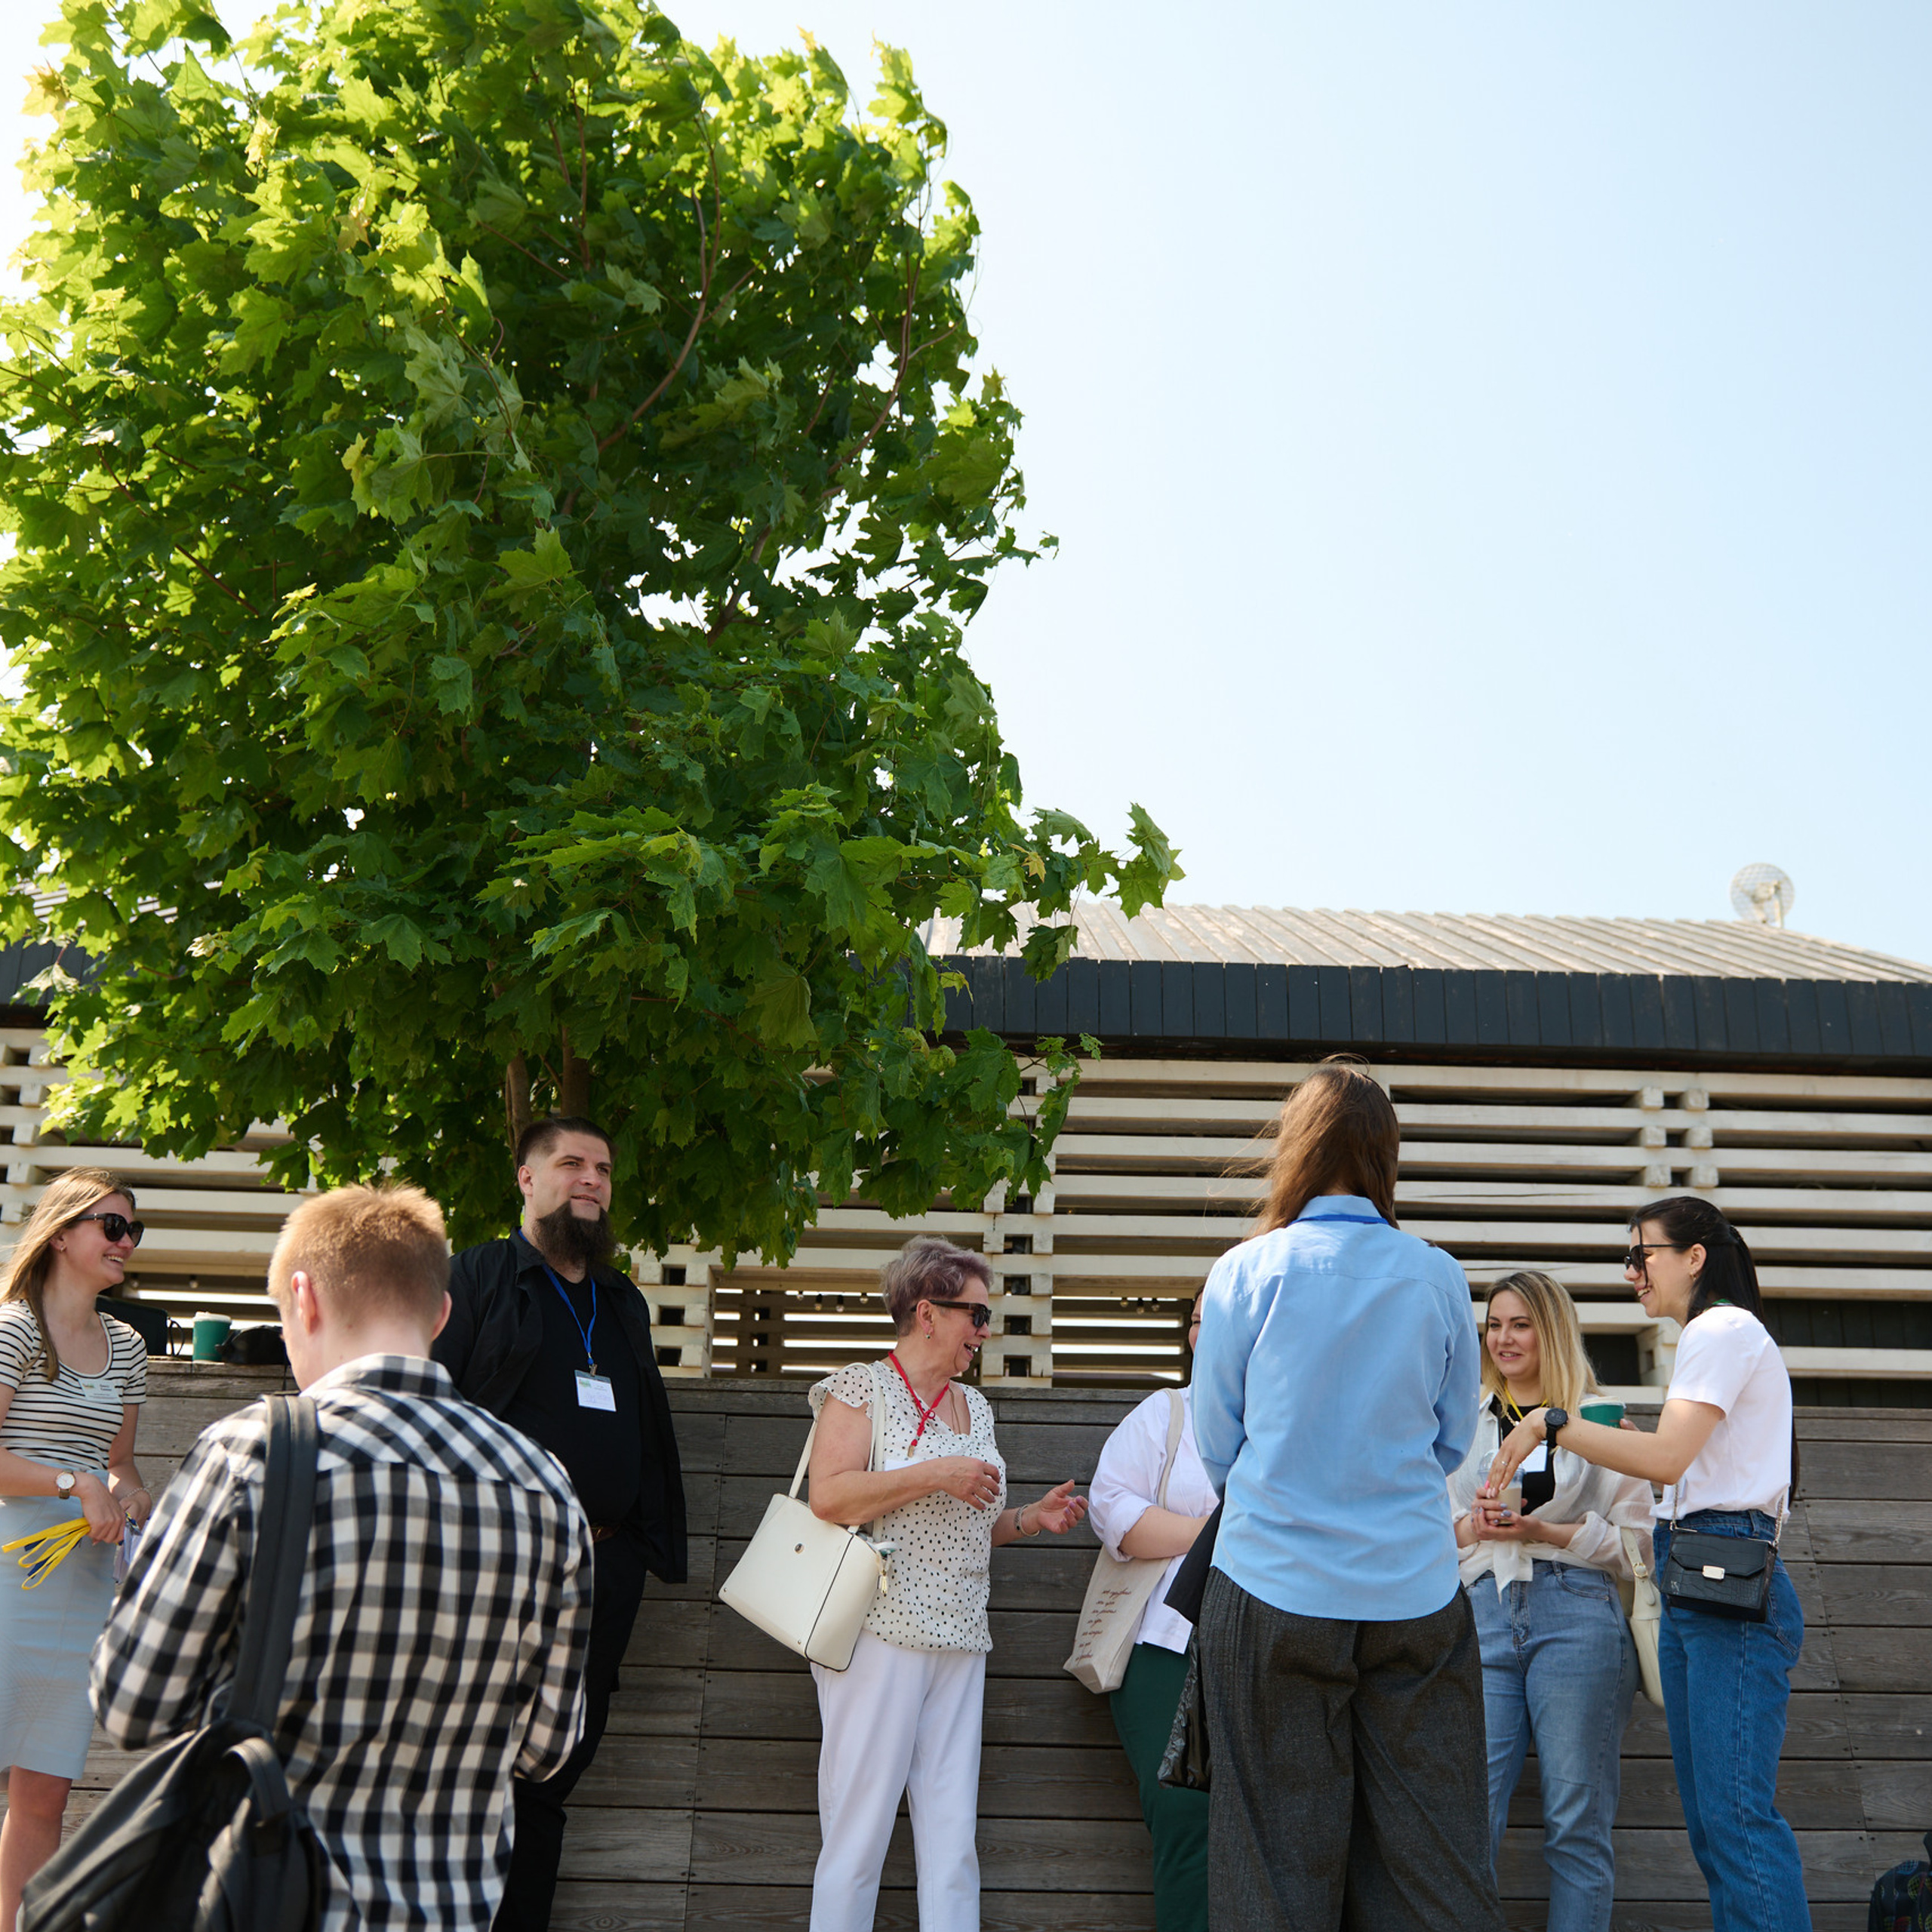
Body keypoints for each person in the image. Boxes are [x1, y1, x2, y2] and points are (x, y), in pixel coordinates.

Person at [94, 1183, 592, 1932]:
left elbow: (133, 1704)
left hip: (260, 1903)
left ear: (303, 1297)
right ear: (443, 1312)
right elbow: (549, 1750)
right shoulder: (546, 1485)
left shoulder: (250, 1451)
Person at [1190, 1057, 1499, 1932]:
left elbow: (1218, 1441)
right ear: (1384, 1153)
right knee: (1430, 1858)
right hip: (1413, 1588)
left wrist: (1282, 1493)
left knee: (1272, 1862)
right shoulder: (1435, 1273)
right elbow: (1450, 1437)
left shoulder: (1246, 1270)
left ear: (1294, 1148)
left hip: (1272, 1582)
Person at [1487, 1197, 1809, 1932]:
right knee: (1717, 1830)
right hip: (1699, 1575)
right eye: (1627, 1257)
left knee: (1735, 1826)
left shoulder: (1719, 1328)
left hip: (1722, 1578)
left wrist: (1554, 1421)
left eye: (1643, 1254)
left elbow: (1667, 1456)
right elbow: (1679, 1467)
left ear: (1694, 1257)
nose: (1631, 1270)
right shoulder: (1714, 1337)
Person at [433, 1115, 689, 1932]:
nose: (591, 1180)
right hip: (494, 1568)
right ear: (525, 1178)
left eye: (604, 1168)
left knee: (551, 1779)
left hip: (602, 1573)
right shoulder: (472, 1277)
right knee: (468, 1767)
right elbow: (432, 1410)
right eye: (571, 1163)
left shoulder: (622, 1301)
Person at [804, 1234, 1088, 1932]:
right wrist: (936, 1473)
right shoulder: (860, 1387)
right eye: (976, 1315)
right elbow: (829, 1500)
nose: (984, 1331)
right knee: (859, 1831)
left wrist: (1027, 1517)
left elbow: (964, 1525)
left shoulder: (977, 1408)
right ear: (927, 1312)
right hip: (877, 1632)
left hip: (962, 1635)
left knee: (952, 1837)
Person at [1447, 1270, 1652, 1932]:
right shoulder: (1462, 1421)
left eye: (1521, 1324)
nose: (1503, 1338)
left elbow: (1638, 1545)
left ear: (1552, 1331)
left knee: (1576, 1825)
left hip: (1577, 1616)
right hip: (1482, 1614)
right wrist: (1473, 1527)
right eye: (1495, 1324)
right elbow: (1426, 1530)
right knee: (1468, 1821)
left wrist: (1544, 1530)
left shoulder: (1600, 1417)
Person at [0, 1168, 150, 1930]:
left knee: (45, 1790)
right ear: (62, 1232)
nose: (126, 1241)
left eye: (133, 1230)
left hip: (85, 1582)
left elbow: (119, 1461)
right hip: (8, 1571)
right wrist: (72, 1482)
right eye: (111, 1225)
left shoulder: (126, 1344)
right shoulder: (14, 1327)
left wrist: (129, 1495)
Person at [1087, 1290, 1217, 1932]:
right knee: (1185, 1818)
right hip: (1168, 1644)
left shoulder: (1293, 1418)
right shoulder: (1167, 1415)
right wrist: (1216, 1536)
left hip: (1276, 1644)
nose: (1207, 1333)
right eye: (1197, 1322)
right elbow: (1112, 1509)